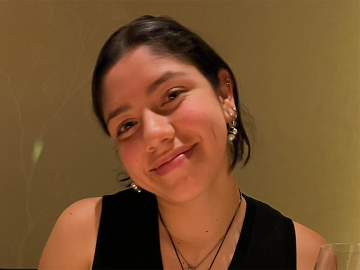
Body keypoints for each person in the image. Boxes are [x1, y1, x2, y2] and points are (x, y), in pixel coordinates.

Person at [39, 15, 326, 270]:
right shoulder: (83, 235)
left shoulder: (306, 256)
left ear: (224, 95)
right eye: (126, 125)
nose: (153, 134)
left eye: (172, 95)